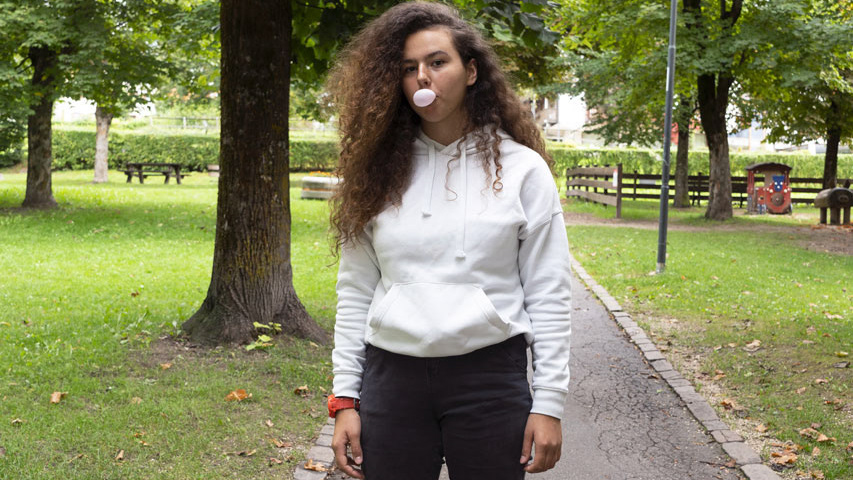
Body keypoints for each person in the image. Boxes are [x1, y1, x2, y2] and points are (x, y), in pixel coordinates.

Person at [326, 2, 571, 479]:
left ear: (471, 71)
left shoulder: (523, 170)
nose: (423, 77)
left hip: (489, 380)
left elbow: (549, 292)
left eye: (437, 62)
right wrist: (345, 399)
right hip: (392, 380)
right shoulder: (375, 175)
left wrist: (549, 402)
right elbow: (355, 290)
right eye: (408, 68)